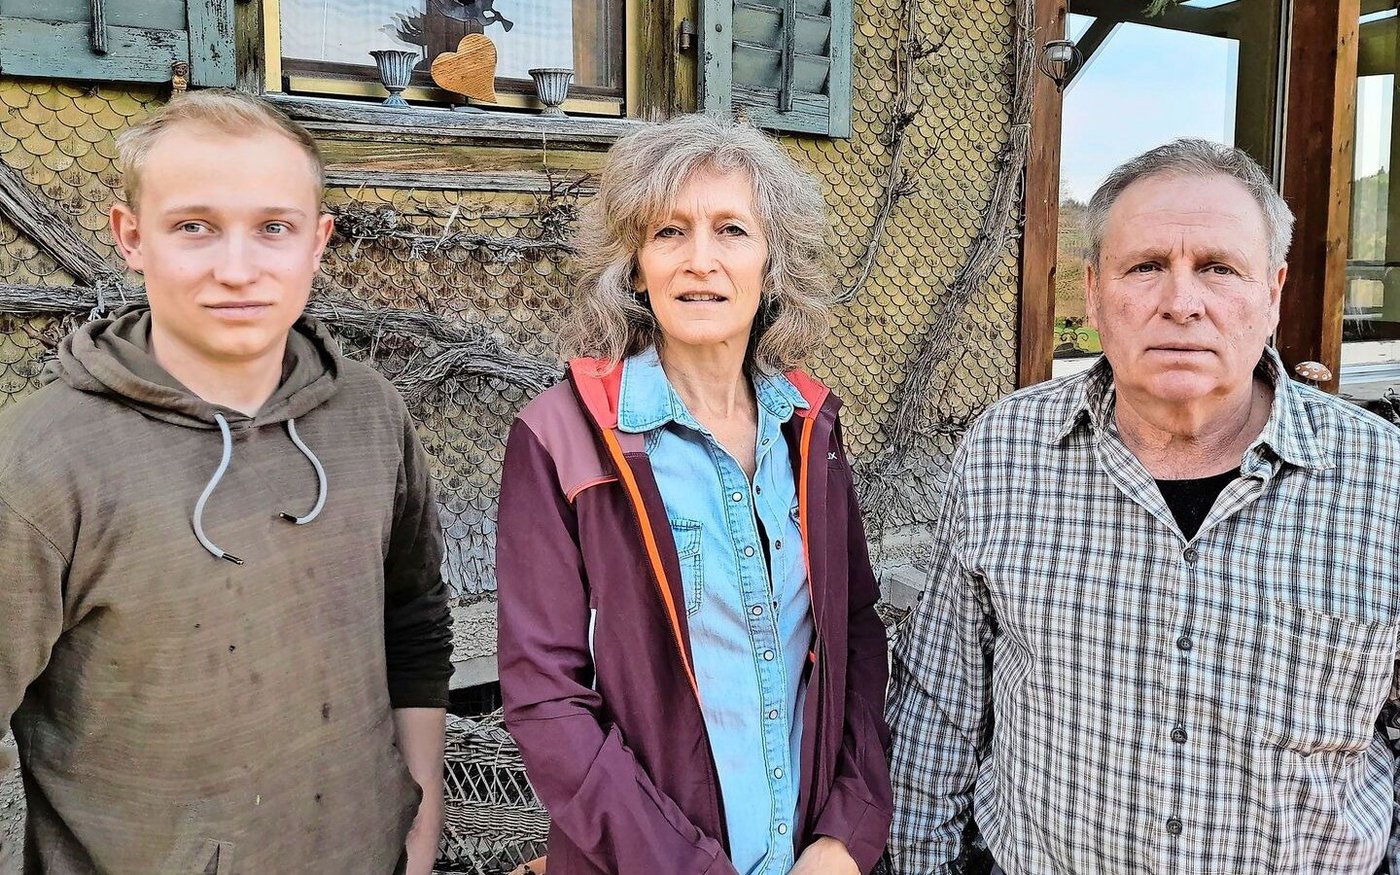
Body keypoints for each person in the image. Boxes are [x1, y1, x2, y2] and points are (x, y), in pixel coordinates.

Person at [886, 137, 1400, 874]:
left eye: (1218, 268)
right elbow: (939, 711)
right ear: (1094, 292)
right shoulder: (1005, 451)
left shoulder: (1383, 479)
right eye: (1147, 266)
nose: (1181, 303)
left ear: (1273, 293)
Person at [0, 90, 453, 874]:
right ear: (131, 236)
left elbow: (413, 615)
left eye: (273, 227)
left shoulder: (371, 412)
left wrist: (423, 803)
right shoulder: (40, 461)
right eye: (194, 227)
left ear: (317, 242)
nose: (237, 270)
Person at [496, 114, 893, 875]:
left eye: (732, 231)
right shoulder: (562, 436)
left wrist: (845, 832)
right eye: (669, 232)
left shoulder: (810, 428)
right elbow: (546, 699)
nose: (699, 261)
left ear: (772, 261)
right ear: (635, 265)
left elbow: (855, 634)